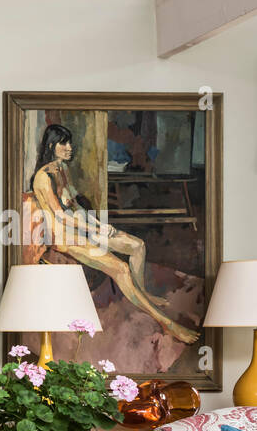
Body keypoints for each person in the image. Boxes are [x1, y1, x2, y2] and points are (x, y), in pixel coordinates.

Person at [29, 123, 198, 344]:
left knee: (137, 246)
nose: (70, 147)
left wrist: (98, 226)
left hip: (82, 227)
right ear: (52, 145)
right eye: (64, 143)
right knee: (121, 269)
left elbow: (76, 207)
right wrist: (93, 229)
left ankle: (141, 294)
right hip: (66, 238)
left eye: (70, 142)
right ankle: (167, 324)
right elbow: (62, 216)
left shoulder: (61, 169)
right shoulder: (43, 177)